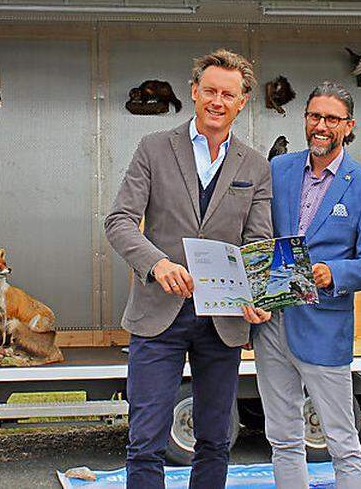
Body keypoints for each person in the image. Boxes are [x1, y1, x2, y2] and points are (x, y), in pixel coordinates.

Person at [105, 49, 273, 488]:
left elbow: (257, 242)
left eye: (229, 94)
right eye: (210, 91)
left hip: (222, 320)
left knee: (215, 440)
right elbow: (119, 221)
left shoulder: (255, 166)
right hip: (158, 314)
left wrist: (256, 296)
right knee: (146, 441)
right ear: (194, 93)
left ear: (242, 102)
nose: (218, 101)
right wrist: (156, 263)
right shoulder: (154, 148)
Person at [244, 82, 361, 489]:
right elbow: (257, 238)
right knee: (283, 439)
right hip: (272, 325)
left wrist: (335, 274)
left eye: (331, 119)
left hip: (324, 327)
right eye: (314, 117)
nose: (321, 126)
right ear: (305, 120)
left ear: (349, 125)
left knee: (343, 442)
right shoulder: (278, 170)